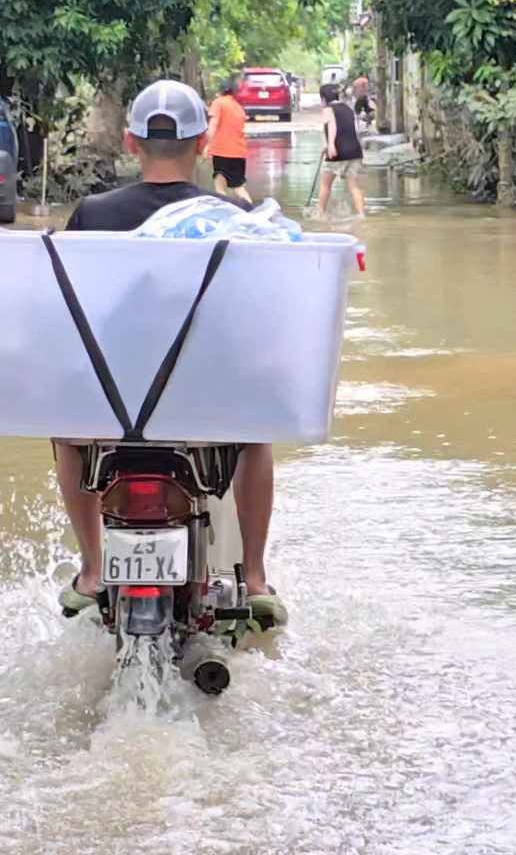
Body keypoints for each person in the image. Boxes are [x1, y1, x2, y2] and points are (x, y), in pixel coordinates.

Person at [56, 79, 287, 627]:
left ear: (131, 142)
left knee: (63, 428)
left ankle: (91, 571)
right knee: (258, 434)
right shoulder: (231, 219)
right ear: (204, 143)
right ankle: (253, 578)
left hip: (112, 413)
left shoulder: (91, 214)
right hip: (207, 410)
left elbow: (70, 315)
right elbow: (253, 320)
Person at [316, 82, 366, 218]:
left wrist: (329, 144)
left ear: (323, 98)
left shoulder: (328, 109)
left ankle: (319, 214)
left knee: (325, 185)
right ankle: (361, 214)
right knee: (354, 186)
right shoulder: (347, 108)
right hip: (355, 151)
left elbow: (331, 124)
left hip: (337, 151)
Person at [205, 76, 251, 203]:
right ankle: (251, 210)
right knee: (238, 187)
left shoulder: (218, 103)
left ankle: (223, 213)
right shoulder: (238, 107)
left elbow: (213, 126)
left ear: (220, 91)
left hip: (222, 151)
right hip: (239, 153)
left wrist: (207, 146)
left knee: (219, 188)